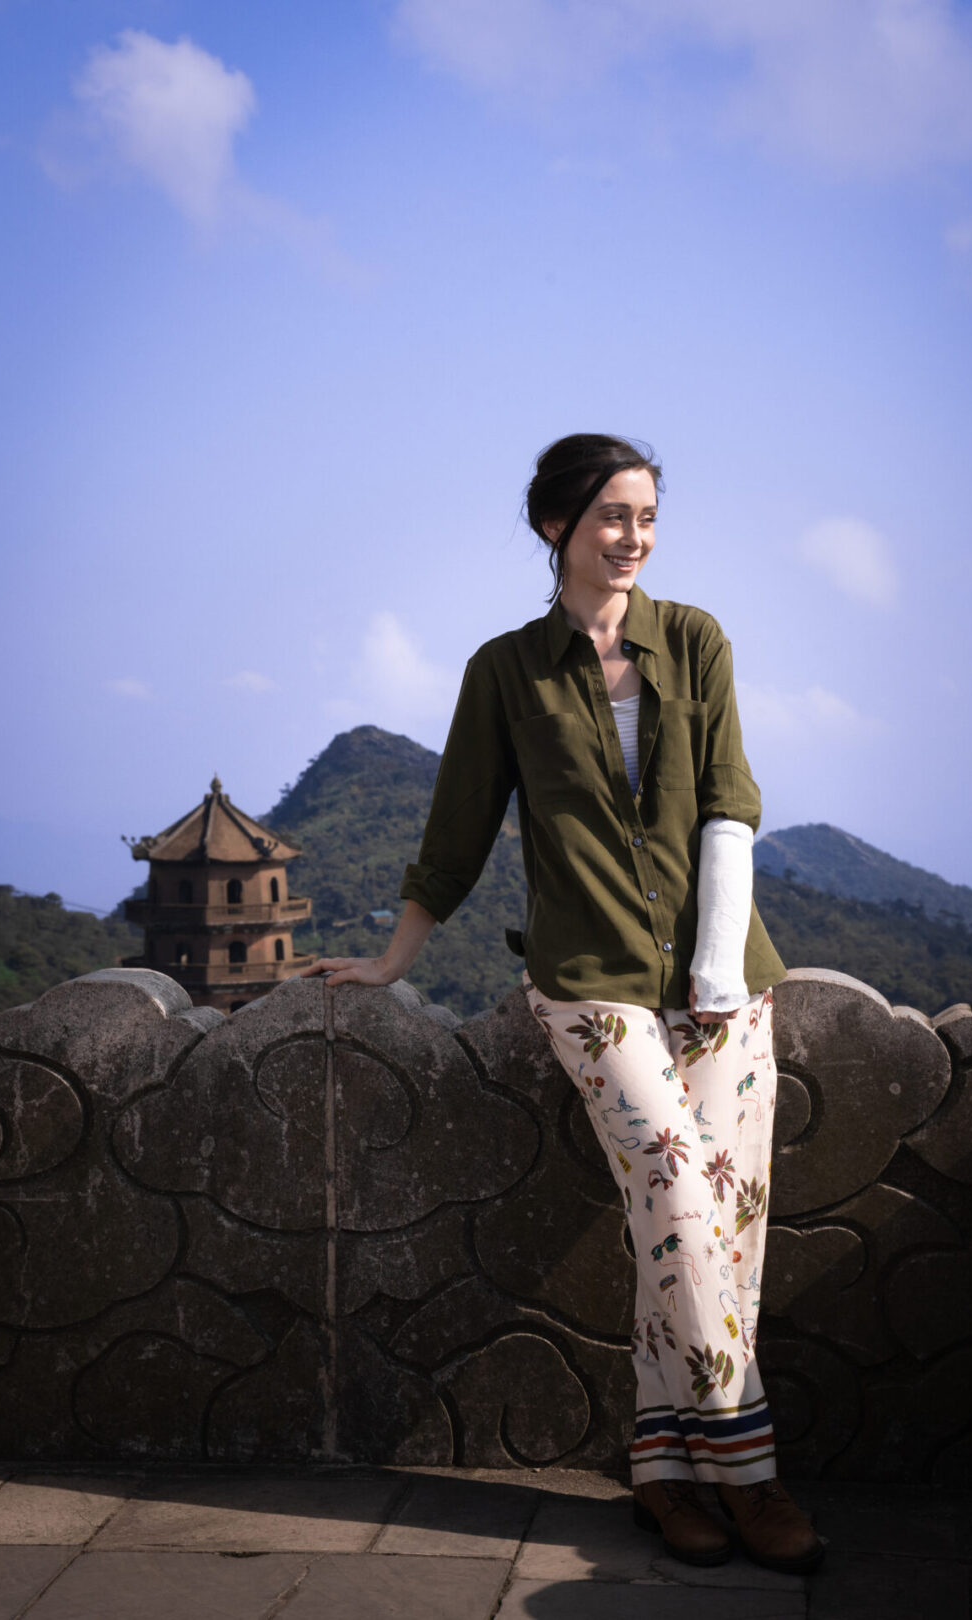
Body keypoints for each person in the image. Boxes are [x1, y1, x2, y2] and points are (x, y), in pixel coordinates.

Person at [300, 434, 823, 1574]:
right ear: (556, 526)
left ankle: (663, 1472)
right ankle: (752, 1474)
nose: (634, 537)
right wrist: (392, 960)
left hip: (724, 978)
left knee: (717, 1232)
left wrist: (717, 972)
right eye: (612, 517)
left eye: (647, 516)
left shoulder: (695, 640)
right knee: (679, 1196)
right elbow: (459, 823)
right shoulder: (506, 670)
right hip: (589, 983)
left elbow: (730, 802)